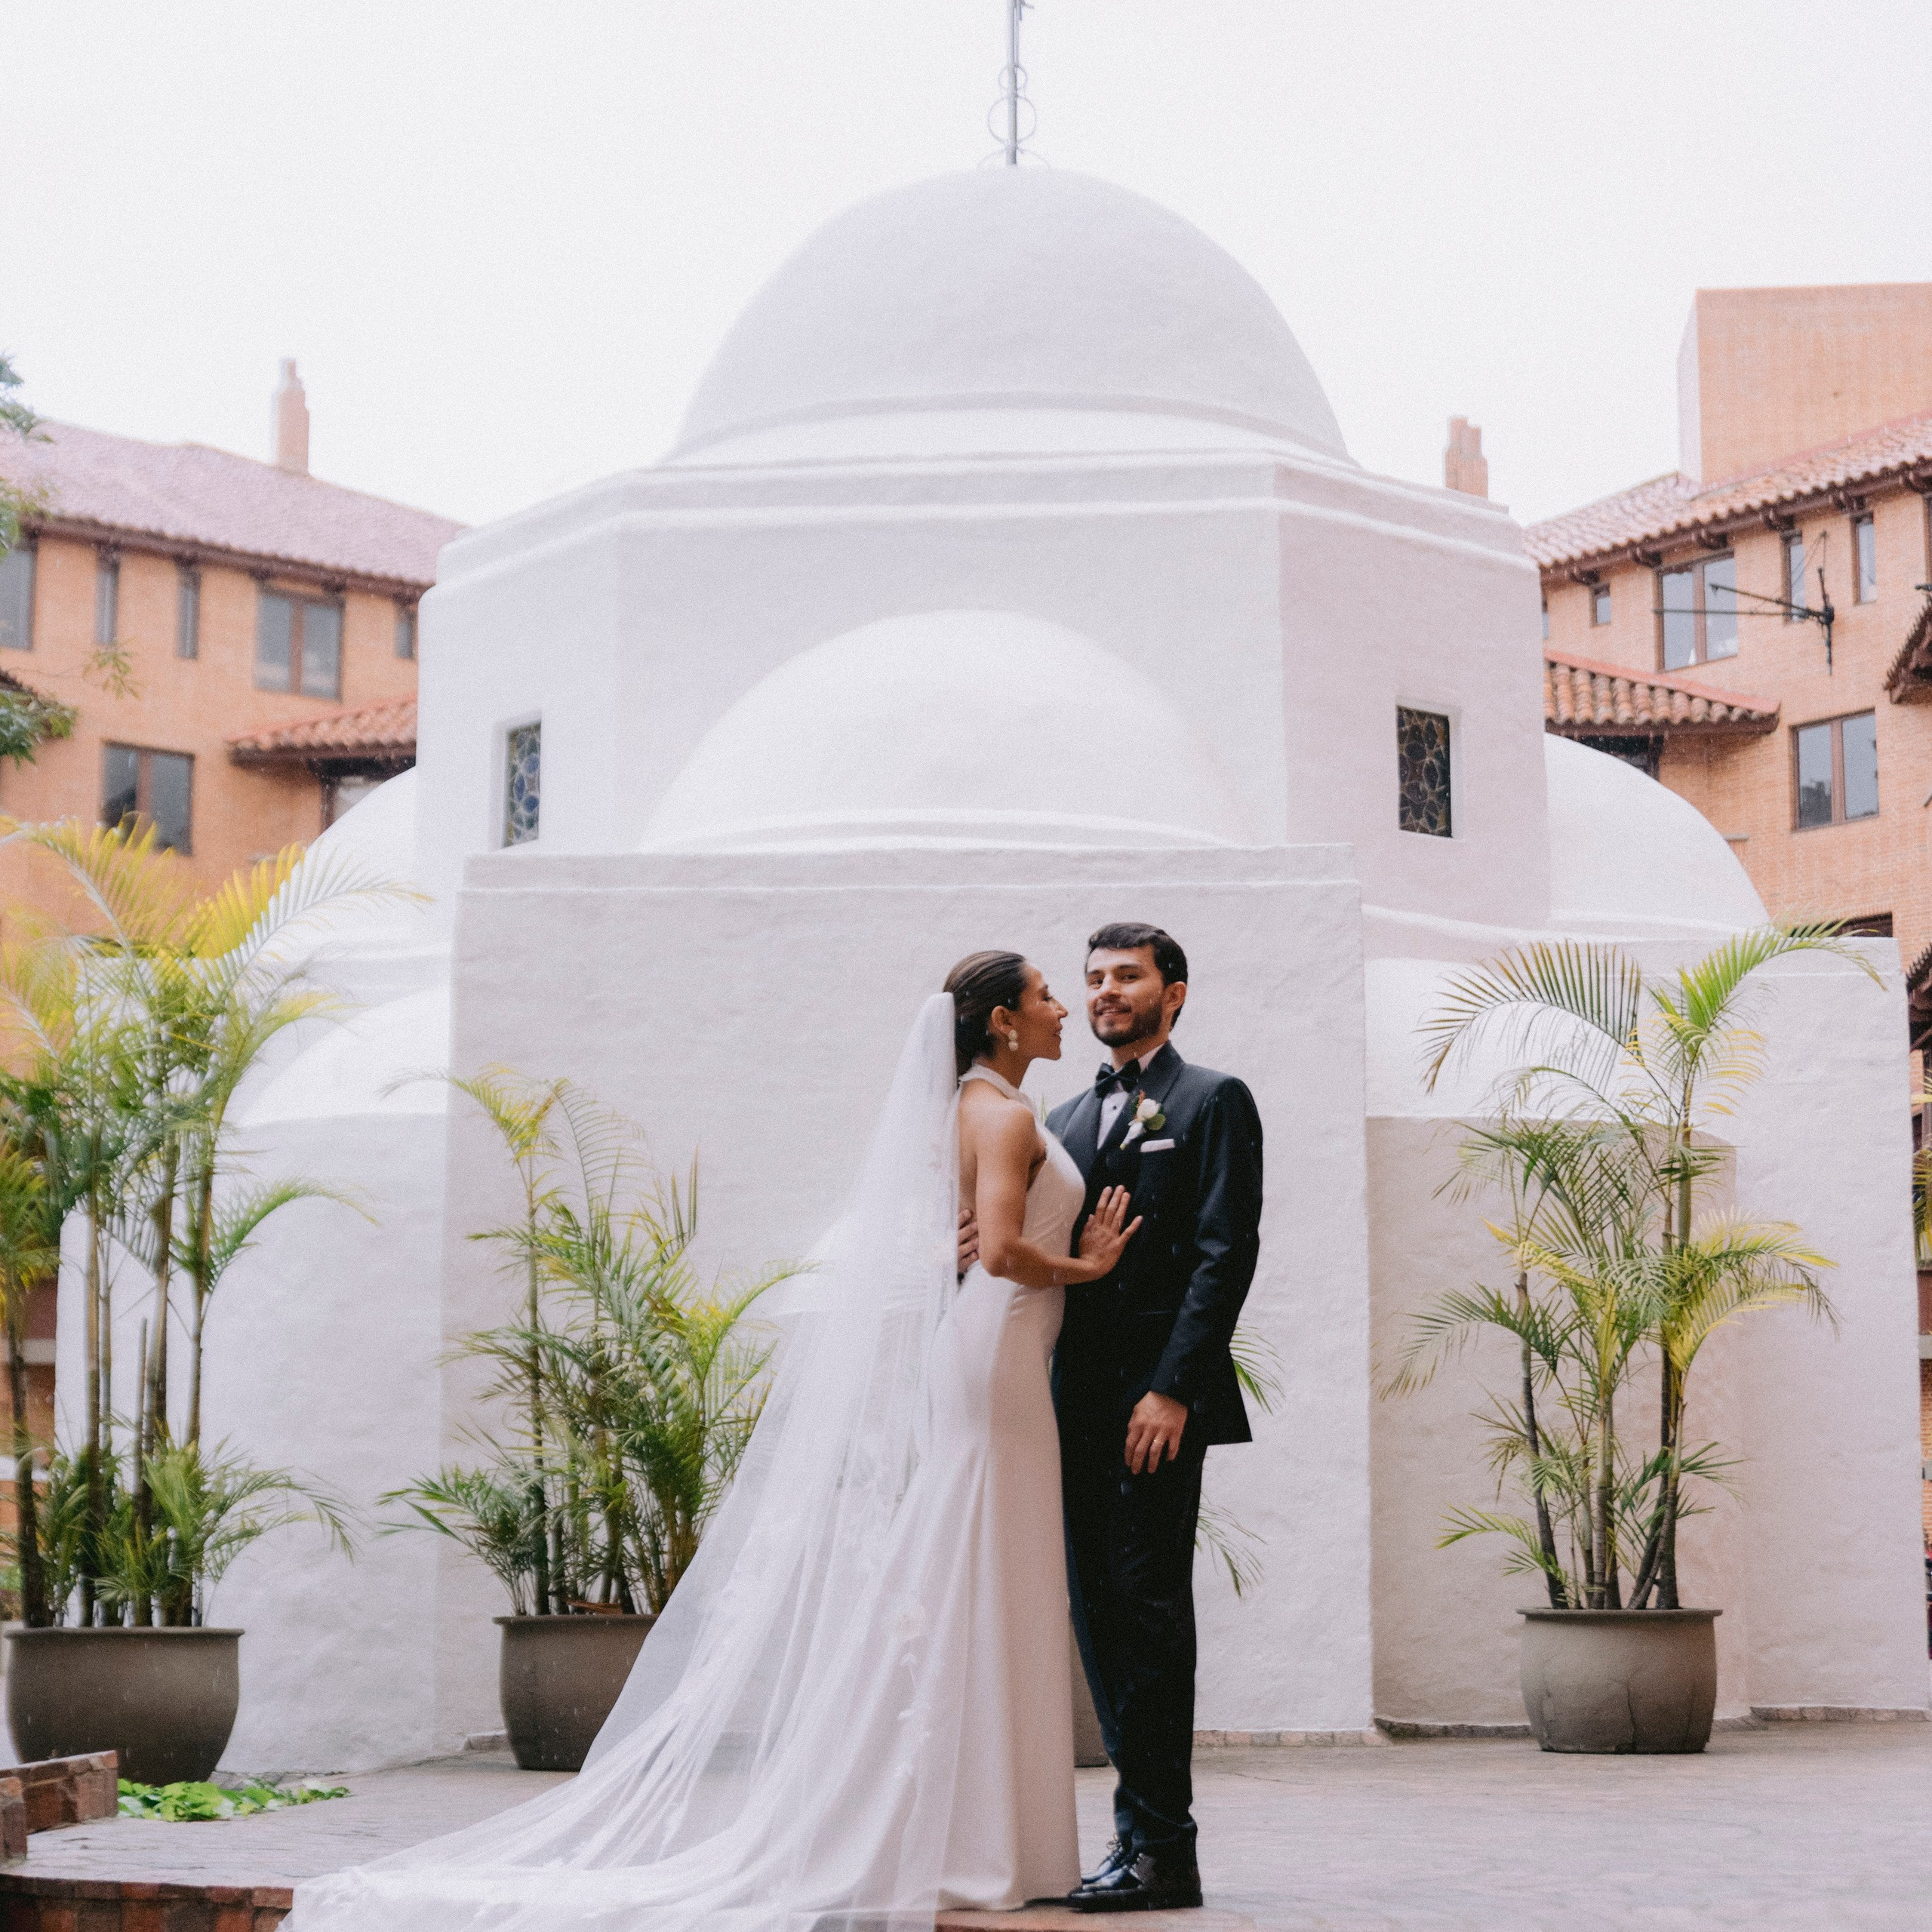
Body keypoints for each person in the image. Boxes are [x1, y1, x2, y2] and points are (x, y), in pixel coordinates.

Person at [282, 953, 1140, 1932]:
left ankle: (982, 1835)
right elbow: (996, 1251)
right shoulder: (1008, 1114)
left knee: (980, 1569)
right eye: (1043, 996)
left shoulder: (966, 1110)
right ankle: (978, 1840)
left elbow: (951, 1241)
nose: (1062, 1007)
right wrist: (1091, 1263)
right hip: (1000, 1356)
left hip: (993, 1352)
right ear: (998, 1021)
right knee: (982, 1565)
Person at [1047, 922, 1264, 1914]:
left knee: (1147, 1611)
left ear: (1173, 993)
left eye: (1126, 977)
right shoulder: (1061, 1116)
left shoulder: (1211, 1101)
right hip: (1066, 1406)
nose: (1105, 992)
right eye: (1093, 979)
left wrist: (1173, 1386)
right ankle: (1131, 1839)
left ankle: (1164, 1850)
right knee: (1097, 1613)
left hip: (1155, 1407)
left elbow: (1224, 1254)